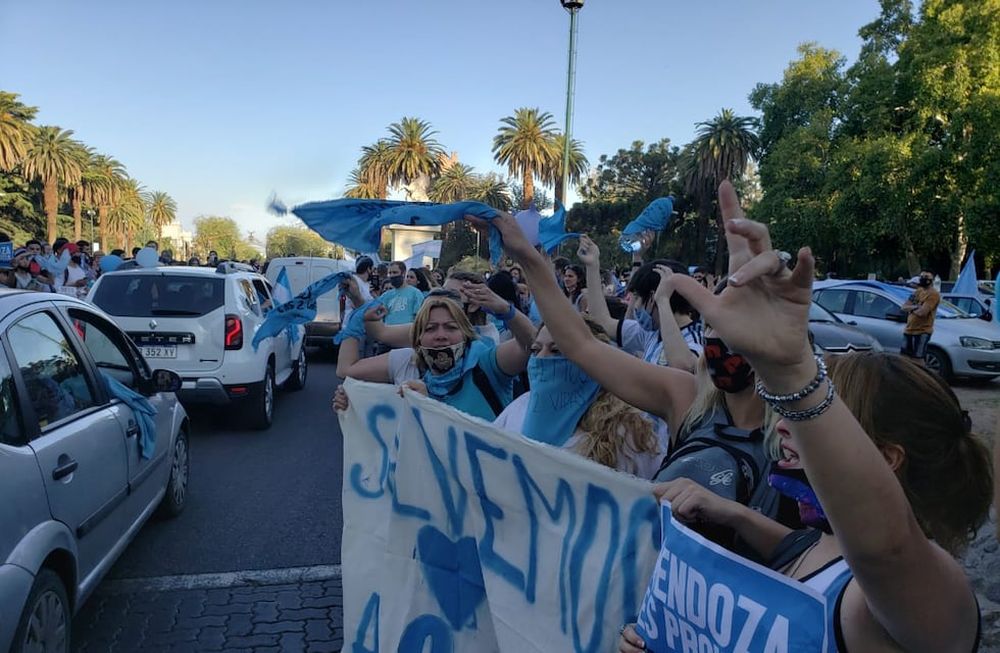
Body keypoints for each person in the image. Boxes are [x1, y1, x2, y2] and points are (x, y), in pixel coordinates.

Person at [618, 181, 989, 653]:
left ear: (885, 457)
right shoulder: (818, 544)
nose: (787, 425)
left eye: (823, 415)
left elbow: (885, 549)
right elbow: (795, 556)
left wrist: (791, 373)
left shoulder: (931, 599)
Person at [493, 190, 795, 541]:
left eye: (745, 326)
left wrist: (739, 518)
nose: (728, 338)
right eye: (716, 324)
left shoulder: (802, 428)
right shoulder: (688, 400)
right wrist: (528, 258)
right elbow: (581, 344)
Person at [494, 320, 662, 477]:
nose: (541, 358)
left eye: (556, 351)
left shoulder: (627, 430)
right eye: (535, 350)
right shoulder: (519, 407)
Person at [336, 292, 530, 422]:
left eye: (451, 327)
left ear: (465, 333)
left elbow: (530, 345)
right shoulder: (411, 369)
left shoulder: (487, 364)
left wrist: (506, 311)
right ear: (417, 339)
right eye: (430, 329)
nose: (441, 335)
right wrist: (354, 402)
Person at [578, 235, 703, 371]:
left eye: (637, 298)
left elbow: (682, 366)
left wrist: (662, 301)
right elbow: (602, 323)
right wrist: (592, 266)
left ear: (653, 296)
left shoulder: (696, 337)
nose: (635, 306)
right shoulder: (651, 332)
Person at [901, 269, 941, 361]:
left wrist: (911, 308)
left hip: (922, 331)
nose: (923, 279)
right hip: (909, 329)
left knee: (918, 358)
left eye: (926, 277)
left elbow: (922, 313)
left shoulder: (933, 294)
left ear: (932, 280)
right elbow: (903, 307)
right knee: (905, 357)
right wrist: (915, 307)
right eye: (921, 277)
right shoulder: (918, 291)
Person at [379, 261, 424, 325]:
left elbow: (419, 317)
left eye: (395, 272)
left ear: (403, 273)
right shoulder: (385, 295)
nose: (392, 275)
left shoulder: (416, 293)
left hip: (407, 332)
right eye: (390, 273)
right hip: (389, 332)